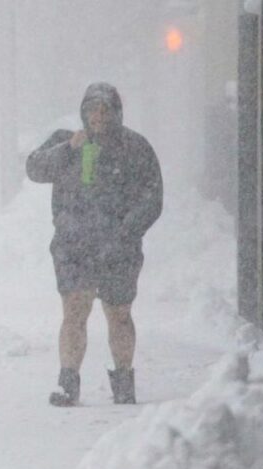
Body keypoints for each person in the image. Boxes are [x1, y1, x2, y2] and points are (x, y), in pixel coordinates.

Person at [25, 82, 163, 406]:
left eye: (105, 110)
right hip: (74, 246)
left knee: (119, 314)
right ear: (83, 112)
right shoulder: (67, 142)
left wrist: (126, 231)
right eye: (92, 110)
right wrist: (69, 148)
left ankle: (124, 381)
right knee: (75, 311)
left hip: (119, 249)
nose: (98, 116)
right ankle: (67, 383)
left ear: (116, 113)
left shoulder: (135, 147)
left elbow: (153, 197)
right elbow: (34, 167)